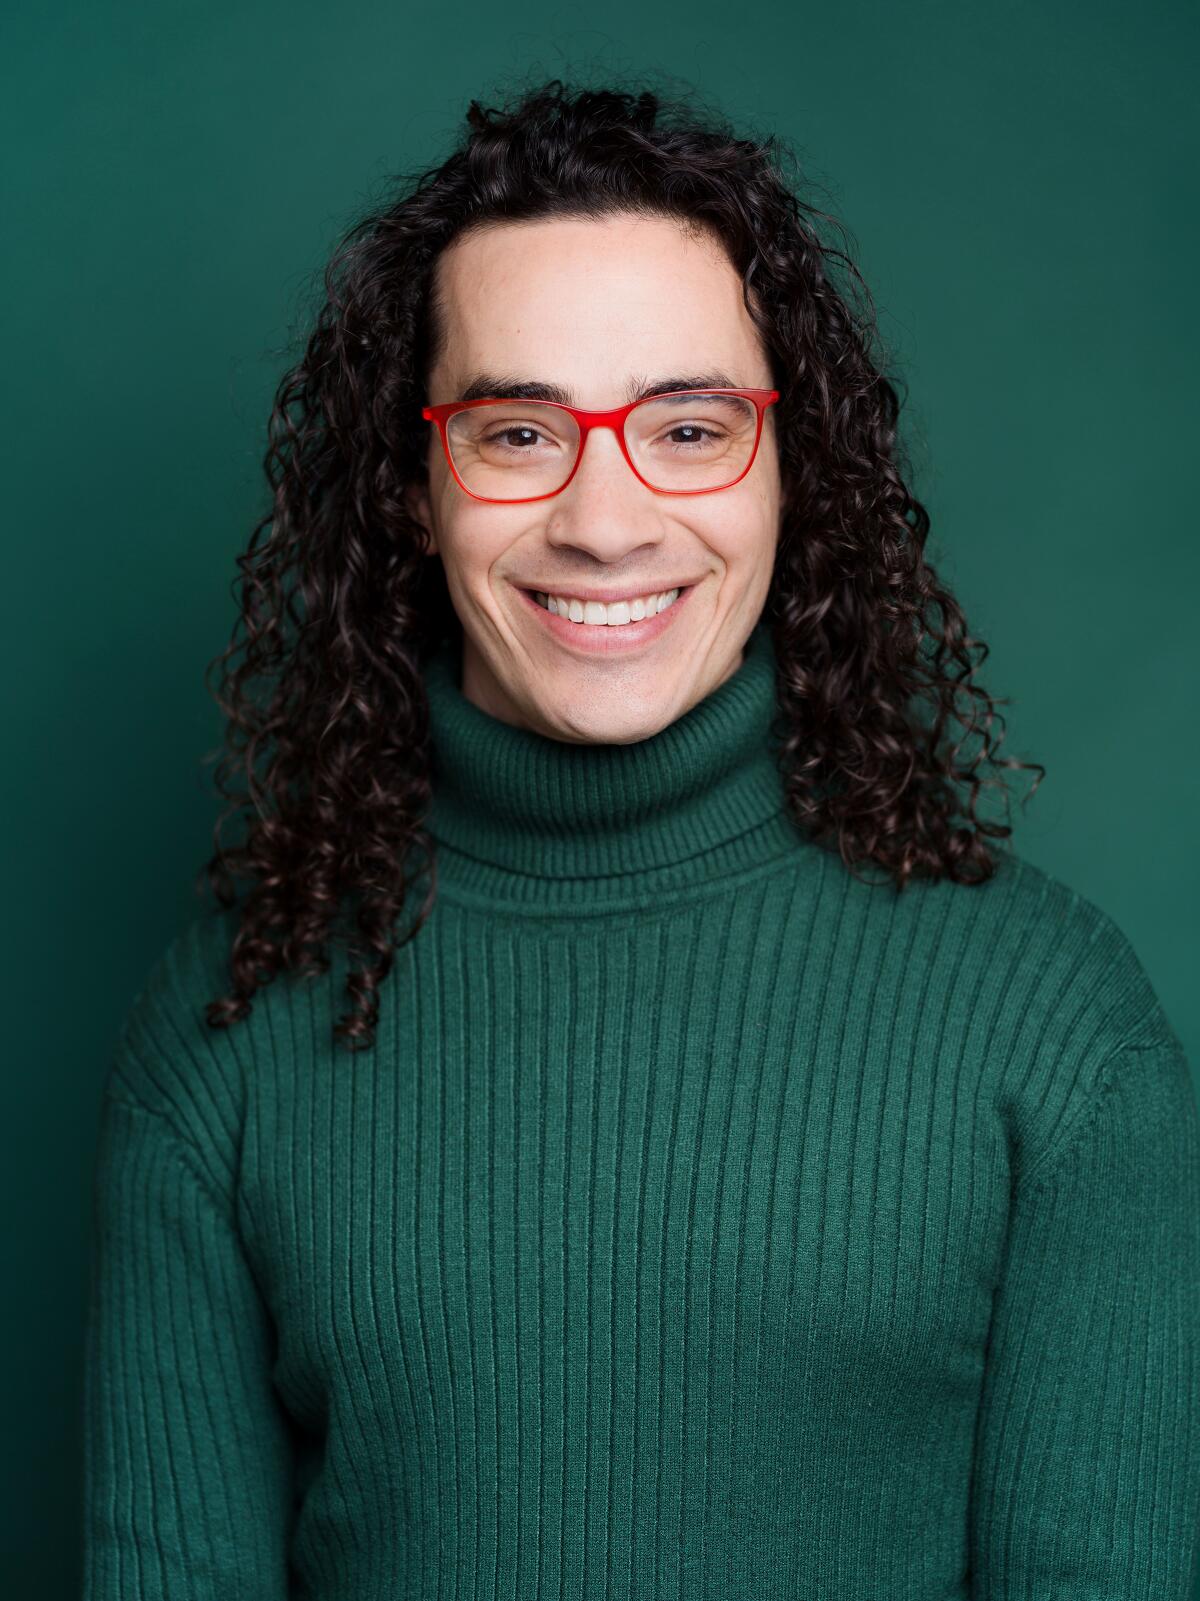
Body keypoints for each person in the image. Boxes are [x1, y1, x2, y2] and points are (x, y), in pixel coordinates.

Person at [80, 77, 1200, 1599]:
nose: (606, 517)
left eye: (688, 425)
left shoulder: (1056, 1025)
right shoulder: (224, 1027)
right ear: (414, 490)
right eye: (518, 429)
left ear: (788, 468)